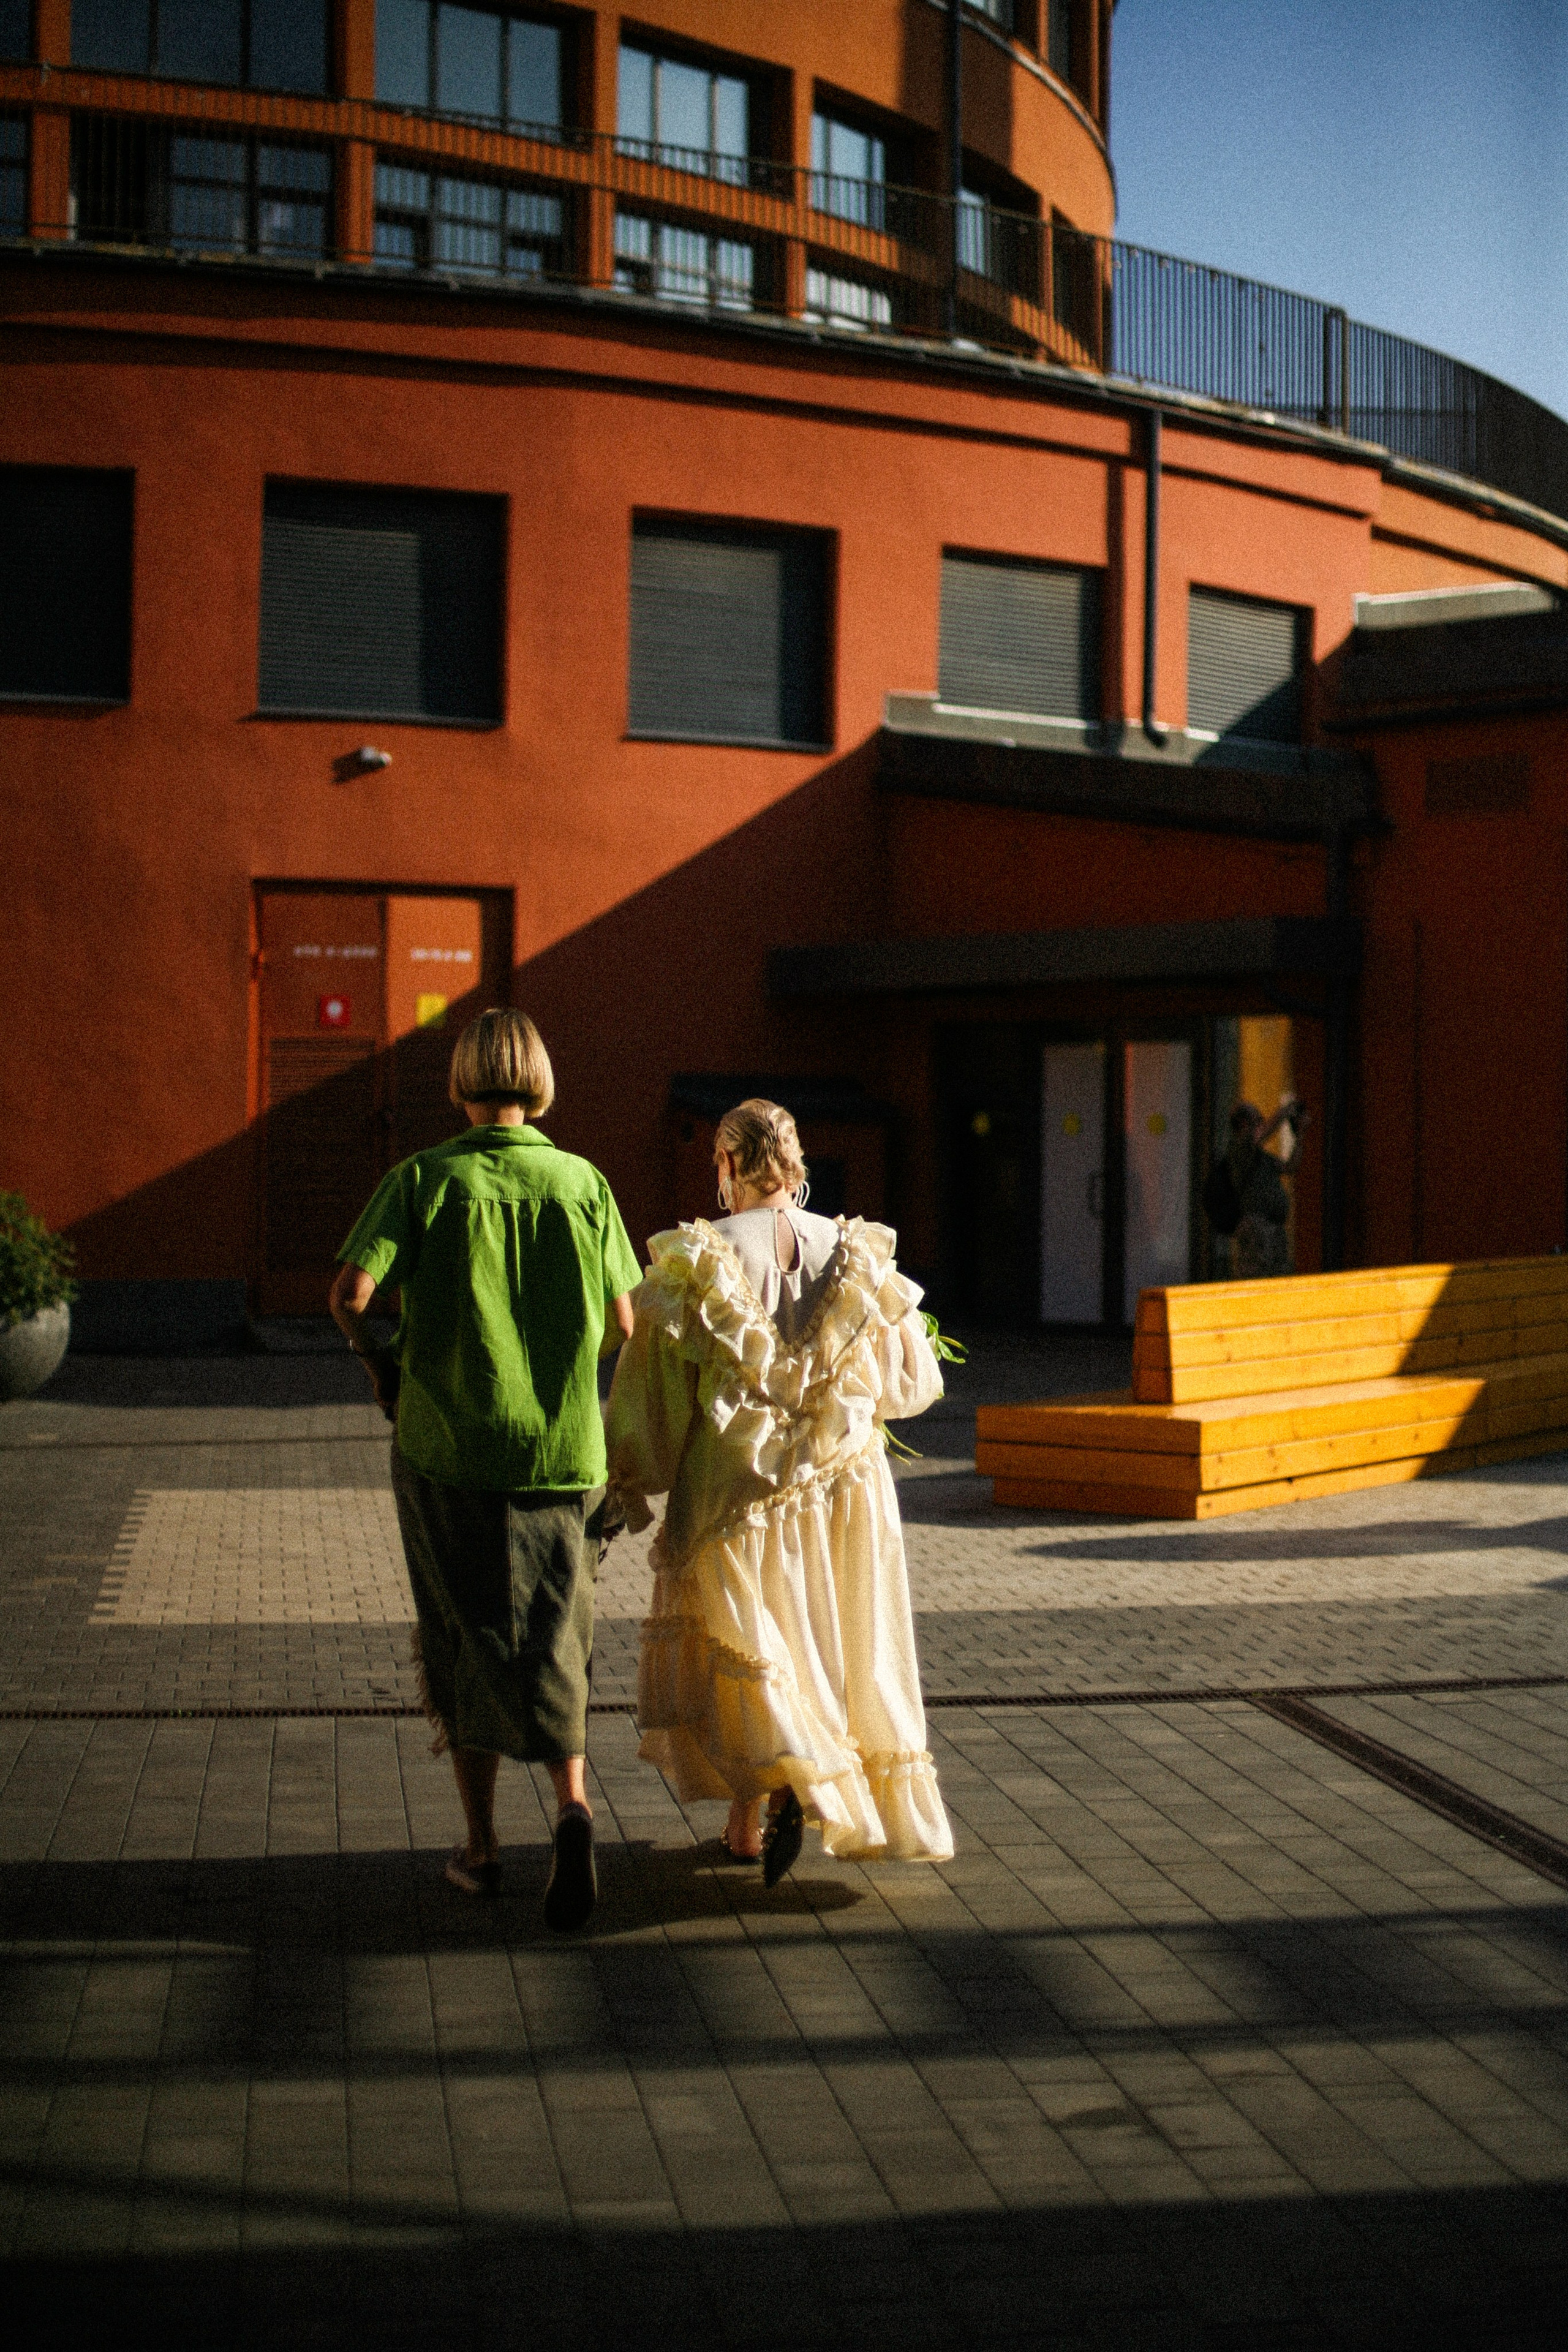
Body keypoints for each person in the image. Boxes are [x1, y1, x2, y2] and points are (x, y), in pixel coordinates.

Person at [329, 1008, 641, 1932]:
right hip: (561, 1453)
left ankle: (480, 1848)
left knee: (463, 1636)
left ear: (461, 1081)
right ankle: (573, 1809)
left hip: (448, 1451)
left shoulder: (422, 1178)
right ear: (539, 1082)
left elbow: (348, 1295)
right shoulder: (583, 1183)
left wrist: (380, 1362)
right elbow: (628, 1322)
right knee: (557, 1637)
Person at [604, 1098, 954, 1885]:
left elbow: (651, 1398)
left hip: (738, 1491)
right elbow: (911, 1381)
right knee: (834, 1643)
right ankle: (771, 1809)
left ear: (726, 1165)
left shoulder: (698, 1259)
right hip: (846, 1485)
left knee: (754, 1646)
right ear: (795, 1164)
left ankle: (764, 1803)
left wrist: (627, 1479)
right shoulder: (854, 1250)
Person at [1224, 1096, 1306, 1280]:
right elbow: (1261, 1135)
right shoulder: (1239, 1149)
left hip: (1274, 1229)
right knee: (1257, 1277)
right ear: (1244, 1124)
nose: (1262, 1123)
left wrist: (1300, 1135)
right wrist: (1285, 1112)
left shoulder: (1261, 1156)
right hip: (1257, 1228)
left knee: (1280, 1278)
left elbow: (1290, 1167)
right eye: (1258, 1120)